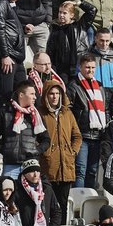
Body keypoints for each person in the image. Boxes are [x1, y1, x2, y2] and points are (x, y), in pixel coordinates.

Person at [39, 78, 80, 213]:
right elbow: (35, 137)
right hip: (48, 166)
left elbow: (77, 136)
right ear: (46, 95)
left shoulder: (67, 113)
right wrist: (44, 152)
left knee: (63, 205)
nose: (55, 96)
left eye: (57, 93)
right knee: (47, 204)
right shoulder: (40, 114)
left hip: (66, 166)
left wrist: (72, 151)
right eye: (51, 93)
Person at [14, 158, 62, 226]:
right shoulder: (16, 190)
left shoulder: (47, 188)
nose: (36, 174)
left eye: (38, 171)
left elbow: (56, 211)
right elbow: (14, 216)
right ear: (24, 174)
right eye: (32, 171)